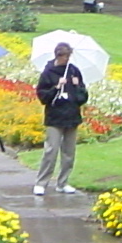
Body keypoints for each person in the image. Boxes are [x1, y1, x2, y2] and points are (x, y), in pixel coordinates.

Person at [34, 42, 90, 196]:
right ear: (58, 56)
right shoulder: (48, 73)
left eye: (68, 56)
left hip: (71, 116)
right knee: (51, 151)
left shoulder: (73, 71)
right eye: (64, 56)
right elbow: (43, 97)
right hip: (55, 117)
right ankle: (41, 182)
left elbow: (82, 98)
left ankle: (63, 182)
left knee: (69, 152)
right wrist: (56, 88)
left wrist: (78, 86)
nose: (66, 59)